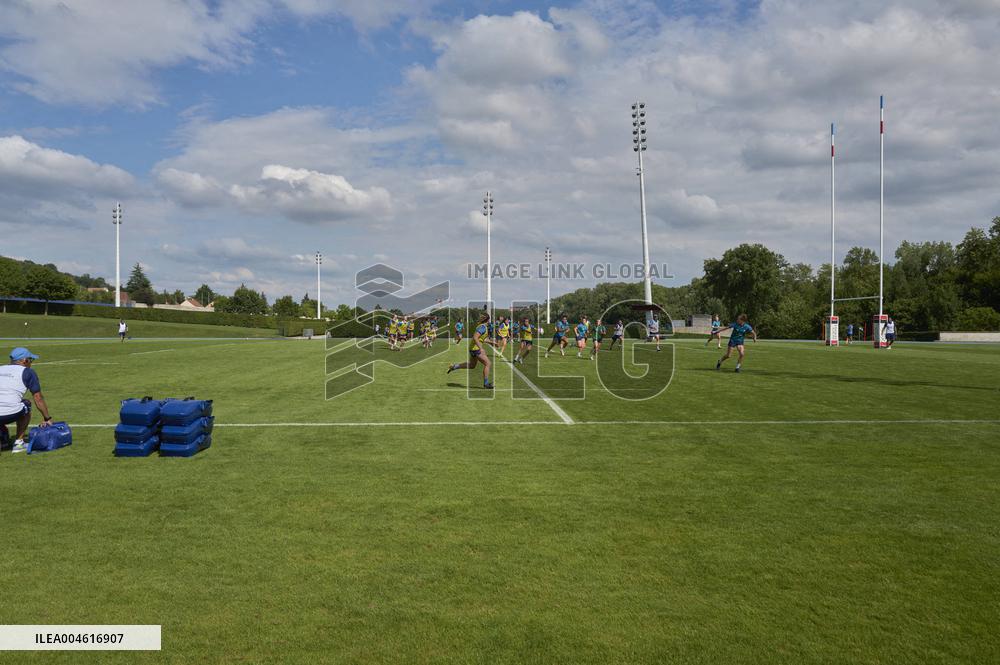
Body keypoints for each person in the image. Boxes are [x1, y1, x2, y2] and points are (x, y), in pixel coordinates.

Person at [0, 347, 54, 454]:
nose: (31, 363)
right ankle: (19, 442)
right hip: (9, 413)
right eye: (30, 360)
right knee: (26, 404)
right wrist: (47, 418)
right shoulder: (28, 372)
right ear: (24, 360)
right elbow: (38, 398)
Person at [447, 314, 494, 389]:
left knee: (472, 365)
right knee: (488, 363)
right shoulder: (482, 327)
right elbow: (475, 338)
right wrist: (481, 348)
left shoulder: (482, 326)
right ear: (488, 320)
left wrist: (492, 343)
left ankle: (454, 366)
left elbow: (482, 339)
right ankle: (486, 384)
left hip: (473, 348)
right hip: (476, 349)